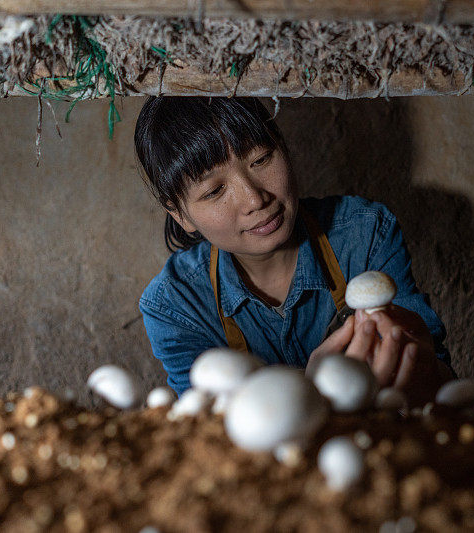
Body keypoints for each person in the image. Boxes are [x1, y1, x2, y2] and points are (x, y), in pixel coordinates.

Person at [134, 96, 456, 407]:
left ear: (283, 147)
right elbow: (207, 434)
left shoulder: (366, 234)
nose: (254, 199)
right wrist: (312, 390)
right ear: (180, 214)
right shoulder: (175, 305)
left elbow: (440, 384)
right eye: (215, 190)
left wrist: (419, 367)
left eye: (260, 159)